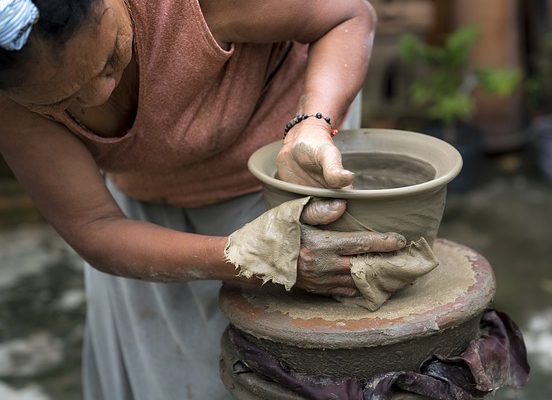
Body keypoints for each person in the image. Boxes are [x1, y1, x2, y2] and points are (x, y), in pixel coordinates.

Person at [0, 0, 407, 398]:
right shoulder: (10, 94)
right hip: (153, 222)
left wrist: (315, 123)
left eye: (110, 57)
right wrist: (253, 259)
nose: (99, 95)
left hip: (294, 166)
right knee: (185, 375)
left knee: (321, 364)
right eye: (61, 102)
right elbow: (94, 225)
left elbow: (348, 15)